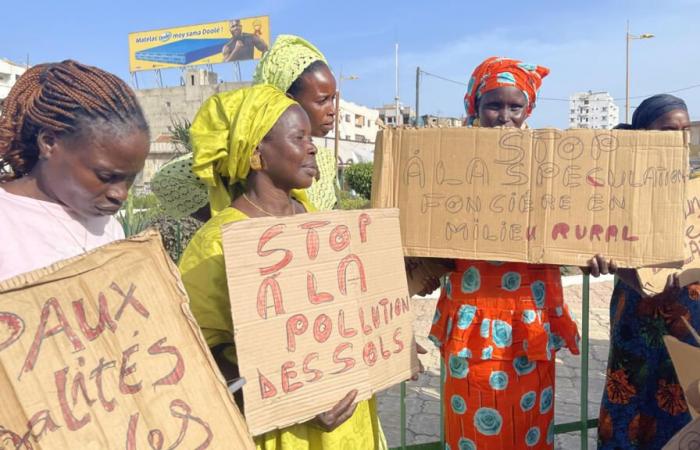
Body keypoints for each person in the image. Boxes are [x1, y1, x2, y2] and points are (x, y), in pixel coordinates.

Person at [178, 84, 386, 450]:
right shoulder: (216, 241)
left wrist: (390, 342)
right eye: (298, 137)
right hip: (287, 432)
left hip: (352, 424)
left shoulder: (326, 228)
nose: (312, 147)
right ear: (257, 153)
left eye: (310, 137)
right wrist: (294, 397)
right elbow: (199, 350)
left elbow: (354, 310)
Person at [428, 57, 581, 450]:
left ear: (528, 110)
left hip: (530, 324)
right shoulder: (449, 168)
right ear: (474, 107)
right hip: (473, 325)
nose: (504, 117)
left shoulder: (551, 169)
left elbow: (574, 227)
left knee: (529, 427)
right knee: (472, 431)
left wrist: (594, 249)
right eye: (493, 105)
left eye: (515, 107)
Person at [596, 94, 695, 450]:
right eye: (668, 130)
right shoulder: (617, 190)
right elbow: (595, 245)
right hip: (637, 313)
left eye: (685, 130)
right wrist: (608, 263)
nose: (679, 139)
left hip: (690, 314)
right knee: (631, 392)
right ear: (641, 136)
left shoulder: (695, 186)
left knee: (682, 397)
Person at [0, 60, 150, 281]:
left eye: (130, 178)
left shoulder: (110, 228)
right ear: (49, 143)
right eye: (106, 176)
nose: (121, 194)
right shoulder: (7, 220)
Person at [253, 34, 339, 211]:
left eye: (333, 99)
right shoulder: (242, 158)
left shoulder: (325, 160)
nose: (332, 110)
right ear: (287, 101)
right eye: (322, 100)